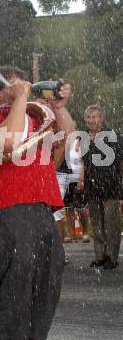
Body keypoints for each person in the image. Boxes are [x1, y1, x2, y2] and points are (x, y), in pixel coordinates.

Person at [0, 67, 74, 340]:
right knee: (18, 284)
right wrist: (19, 99)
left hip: (43, 208)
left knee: (48, 283)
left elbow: (67, 134)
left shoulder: (34, 117)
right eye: (16, 84)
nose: (25, 87)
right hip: (11, 208)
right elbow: (8, 142)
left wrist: (58, 106)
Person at [80, 105, 122, 270]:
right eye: (88, 117)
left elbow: (121, 162)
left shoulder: (113, 136)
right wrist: (82, 180)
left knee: (111, 223)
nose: (91, 120)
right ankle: (100, 256)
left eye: (95, 117)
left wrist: (119, 181)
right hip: (92, 186)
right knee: (96, 223)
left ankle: (112, 257)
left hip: (110, 185)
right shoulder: (83, 137)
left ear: (101, 118)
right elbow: (84, 161)